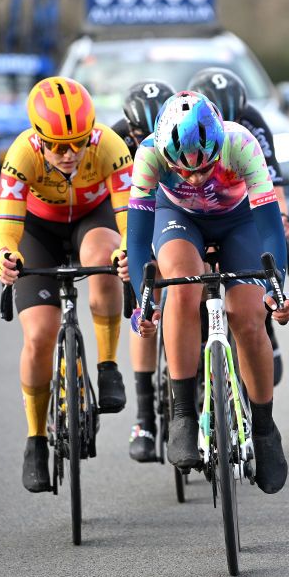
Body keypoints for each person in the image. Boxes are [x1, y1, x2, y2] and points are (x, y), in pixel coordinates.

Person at [123, 92, 289, 495]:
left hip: (240, 222)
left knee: (249, 317)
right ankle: (182, 412)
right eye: (184, 171)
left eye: (205, 167)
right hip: (178, 219)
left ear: (220, 146)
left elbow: (270, 228)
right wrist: (143, 303)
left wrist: (276, 290)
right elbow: (136, 240)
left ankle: (265, 428)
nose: (196, 178)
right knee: (181, 287)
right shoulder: (148, 154)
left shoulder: (241, 144)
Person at [0, 76, 131, 492]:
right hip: (39, 232)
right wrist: (5, 258)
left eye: (79, 142)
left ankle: (107, 366)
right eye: (57, 145)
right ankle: (35, 439)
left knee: (105, 260)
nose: (69, 154)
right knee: (39, 334)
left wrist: (128, 253)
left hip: (93, 220)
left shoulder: (109, 147)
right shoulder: (20, 155)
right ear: (38, 140)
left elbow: (128, 220)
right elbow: (6, 228)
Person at [188, 67, 289, 388]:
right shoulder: (189, 122)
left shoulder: (250, 123)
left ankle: (261, 321)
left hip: (242, 203)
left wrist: (283, 220)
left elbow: (272, 181)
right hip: (195, 207)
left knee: (267, 252)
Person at [111, 80, 174, 463]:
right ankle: (145, 416)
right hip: (134, 214)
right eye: (140, 135)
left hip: (178, 211)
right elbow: (115, 207)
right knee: (143, 306)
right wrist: (123, 251)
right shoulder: (119, 142)